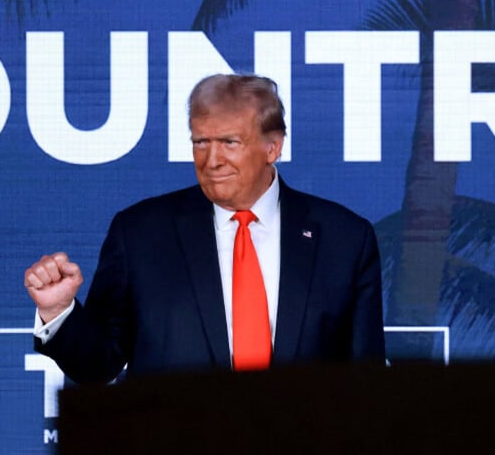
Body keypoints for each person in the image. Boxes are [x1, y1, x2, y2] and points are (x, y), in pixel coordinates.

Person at [24, 74, 383, 383]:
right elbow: (97, 366)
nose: (212, 160)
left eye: (229, 142)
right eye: (200, 142)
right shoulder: (140, 234)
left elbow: (365, 383)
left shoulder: (345, 240)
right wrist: (59, 313)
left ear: (272, 147)